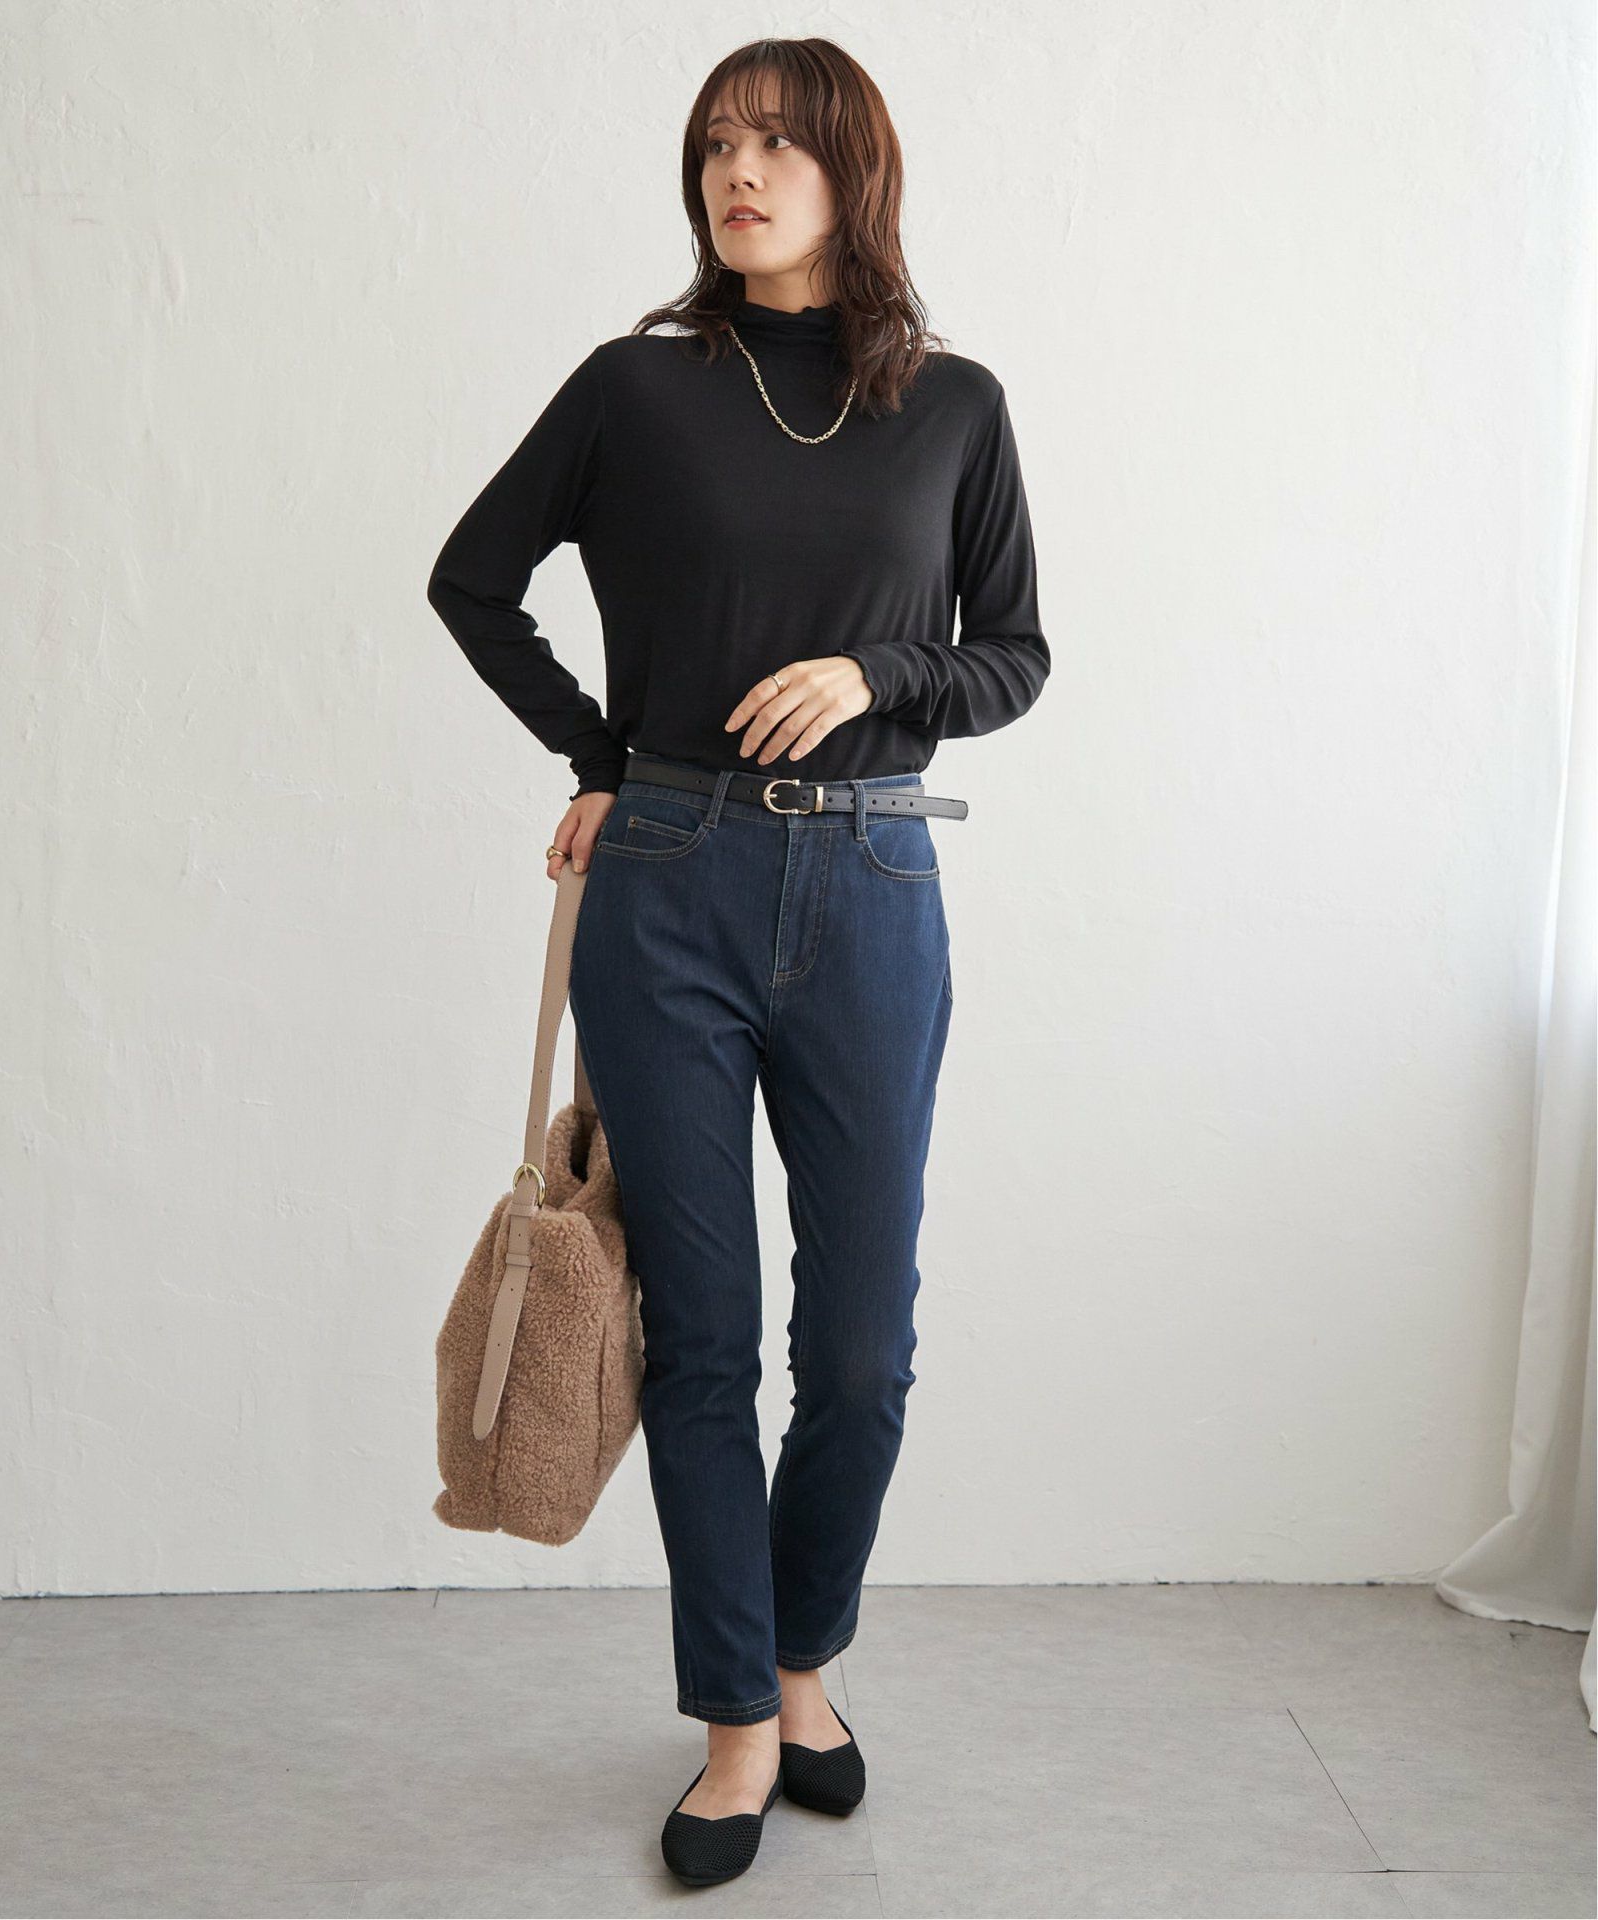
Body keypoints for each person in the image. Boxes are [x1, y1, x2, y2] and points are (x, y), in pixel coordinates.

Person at [426, 35, 1050, 1889]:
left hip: (872, 882)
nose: (739, 172)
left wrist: (882, 674)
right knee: (697, 1337)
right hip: (670, 886)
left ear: (857, 171)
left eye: (777, 142)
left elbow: (1014, 654)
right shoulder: (637, 386)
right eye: (714, 143)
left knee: (857, 1351)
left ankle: (802, 1662)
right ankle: (735, 1726)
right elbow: (472, 579)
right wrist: (600, 758)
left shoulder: (956, 407)